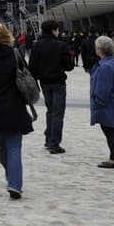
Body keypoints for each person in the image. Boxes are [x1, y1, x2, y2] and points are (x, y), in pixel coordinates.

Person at [0, 23, 33, 200]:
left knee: (3, 146)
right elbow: (26, 73)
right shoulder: (15, 53)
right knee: (14, 146)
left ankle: (12, 179)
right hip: (15, 102)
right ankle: (14, 183)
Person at [28, 20, 74, 154]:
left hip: (44, 82)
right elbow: (69, 66)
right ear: (54, 30)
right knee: (58, 112)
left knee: (50, 110)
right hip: (58, 82)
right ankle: (54, 143)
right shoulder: (61, 45)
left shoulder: (37, 46)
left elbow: (32, 66)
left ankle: (48, 139)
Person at [90, 36, 114, 169]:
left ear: (99, 50)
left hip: (109, 105)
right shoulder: (113, 62)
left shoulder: (105, 66)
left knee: (109, 130)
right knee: (110, 130)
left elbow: (103, 89)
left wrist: (98, 102)